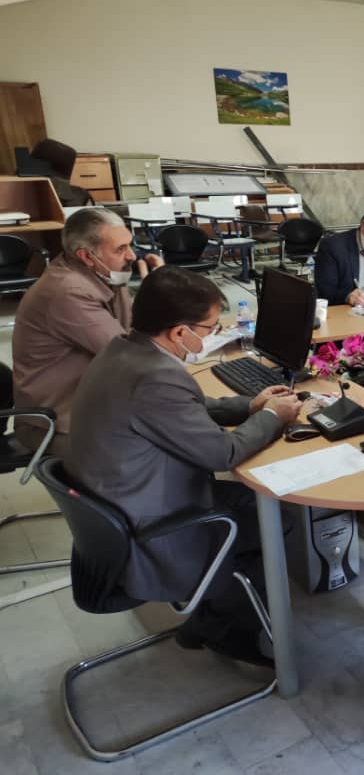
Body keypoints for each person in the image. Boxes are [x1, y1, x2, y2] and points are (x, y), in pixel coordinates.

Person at [67, 266, 302, 666]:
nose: (212, 336)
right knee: (275, 519)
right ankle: (224, 627)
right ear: (179, 332)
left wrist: (251, 405)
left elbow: (187, 407)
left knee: (252, 503)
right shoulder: (156, 377)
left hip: (123, 500)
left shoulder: (124, 350)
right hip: (154, 523)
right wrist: (273, 417)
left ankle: (216, 609)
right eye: (210, 328)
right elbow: (223, 454)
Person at [12, 207, 163, 459]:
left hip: (94, 402)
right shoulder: (67, 291)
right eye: (120, 249)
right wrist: (157, 296)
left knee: (178, 417)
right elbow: (129, 355)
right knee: (161, 449)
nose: (131, 255)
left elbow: (132, 330)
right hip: (57, 424)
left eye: (130, 245)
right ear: (86, 256)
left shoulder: (106, 274)